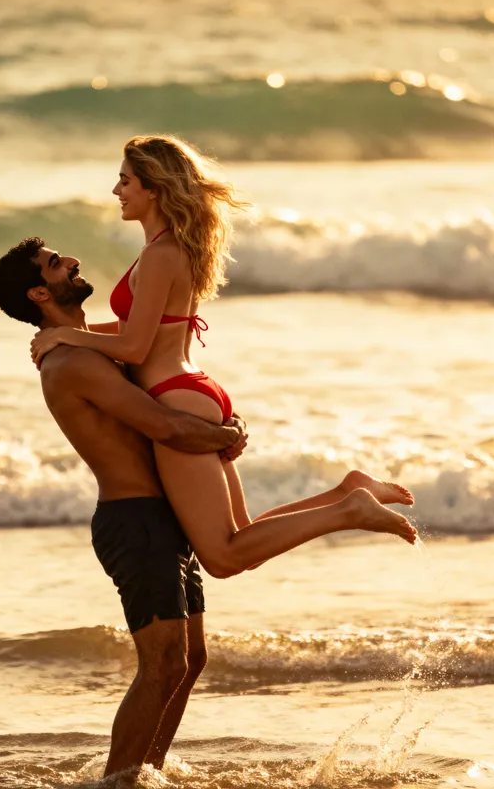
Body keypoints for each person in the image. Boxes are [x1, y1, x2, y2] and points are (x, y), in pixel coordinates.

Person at [28, 135, 417, 582]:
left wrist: (66, 335)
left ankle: (348, 511)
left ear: (153, 188)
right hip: (194, 389)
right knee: (243, 539)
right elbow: (144, 329)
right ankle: (347, 492)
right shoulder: (173, 247)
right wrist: (68, 335)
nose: (117, 191)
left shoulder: (159, 255)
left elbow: (135, 348)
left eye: (125, 181)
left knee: (224, 557)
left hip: (173, 396)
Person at [0, 238, 246, 779]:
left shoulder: (85, 346)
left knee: (189, 661)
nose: (72, 261)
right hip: (136, 522)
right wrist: (224, 434)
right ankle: (119, 778)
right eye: (57, 264)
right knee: (162, 665)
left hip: (161, 516)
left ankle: (144, 771)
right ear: (40, 292)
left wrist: (220, 433)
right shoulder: (70, 361)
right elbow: (163, 425)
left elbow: (151, 343)